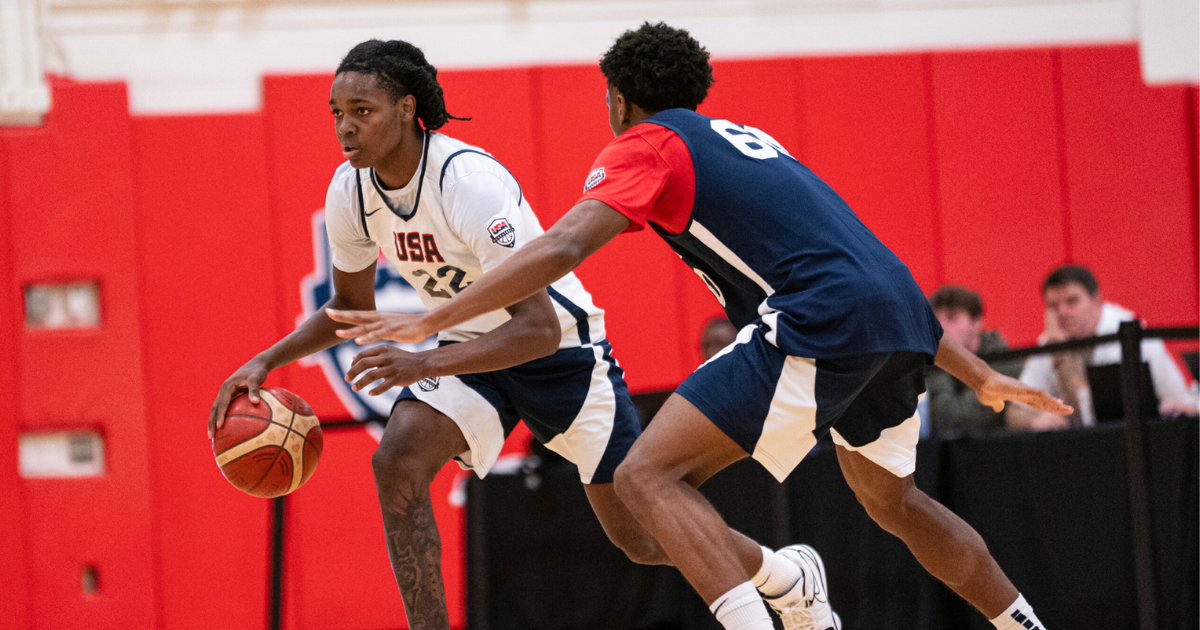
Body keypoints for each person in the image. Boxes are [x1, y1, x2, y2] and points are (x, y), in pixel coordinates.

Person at [327, 23, 1071, 630]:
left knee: (648, 474)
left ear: (619, 99)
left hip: (817, 322)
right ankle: (1022, 624)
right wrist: (976, 371)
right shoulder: (748, 138)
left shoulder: (648, 145)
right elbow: (870, 273)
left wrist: (431, 319)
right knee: (895, 501)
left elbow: (560, 248)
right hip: (897, 317)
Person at [1007, 265, 1197, 430]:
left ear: (1097, 300)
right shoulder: (1051, 341)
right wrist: (1034, 421)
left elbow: (1090, 415)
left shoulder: (1125, 332)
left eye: (1072, 301)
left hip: (1163, 436)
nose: (1062, 312)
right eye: (1053, 306)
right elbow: (1015, 412)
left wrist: (1060, 355)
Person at [926, 286, 1022, 437]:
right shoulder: (927, 362)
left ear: (977, 322)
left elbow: (955, 423)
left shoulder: (1004, 362)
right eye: (935, 320)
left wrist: (940, 361)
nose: (940, 327)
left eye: (952, 318)